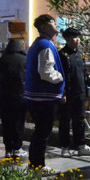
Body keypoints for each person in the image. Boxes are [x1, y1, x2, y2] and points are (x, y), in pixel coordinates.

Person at [24, 14, 65, 170]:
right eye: (51, 22)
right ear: (43, 27)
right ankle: (37, 164)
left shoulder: (40, 44)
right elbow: (46, 72)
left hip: (37, 95)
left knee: (40, 131)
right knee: (42, 132)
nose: (55, 24)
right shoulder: (45, 46)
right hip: (43, 97)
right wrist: (60, 77)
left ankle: (35, 163)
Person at [58, 27, 90, 157]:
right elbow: (60, 75)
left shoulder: (79, 55)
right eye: (74, 37)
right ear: (67, 39)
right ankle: (65, 147)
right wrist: (62, 92)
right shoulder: (62, 55)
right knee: (65, 121)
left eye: (78, 37)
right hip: (68, 93)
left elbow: (83, 73)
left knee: (79, 120)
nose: (77, 40)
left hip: (80, 93)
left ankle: (81, 145)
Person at [0, 38, 28, 159]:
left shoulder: (3, 60)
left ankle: (8, 149)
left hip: (4, 96)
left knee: (6, 123)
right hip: (20, 96)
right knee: (19, 122)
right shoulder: (25, 60)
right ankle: (17, 148)